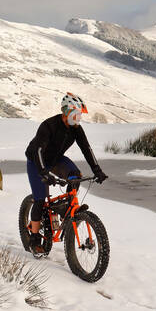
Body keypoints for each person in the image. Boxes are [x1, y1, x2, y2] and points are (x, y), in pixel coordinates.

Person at [24, 92, 107, 253]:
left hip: (55, 160)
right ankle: (34, 238)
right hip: (36, 161)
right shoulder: (49, 126)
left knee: (75, 176)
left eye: (80, 116)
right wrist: (43, 173)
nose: (78, 119)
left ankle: (66, 211)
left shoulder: (76, 129)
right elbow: (39, 150)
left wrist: (97, 170)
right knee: (40, 200)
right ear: (66, 112)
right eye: (76, 115)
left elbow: (87, 149)